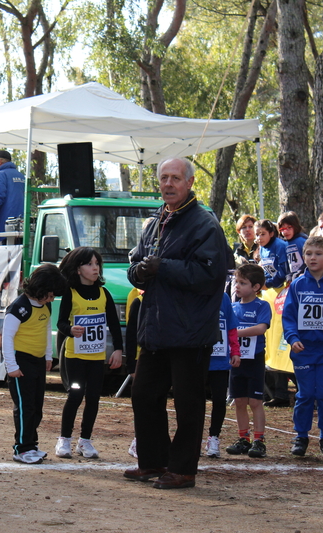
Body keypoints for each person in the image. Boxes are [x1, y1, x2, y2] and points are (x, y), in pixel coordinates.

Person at [123, 157, 229, 490]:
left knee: (188, 402)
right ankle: (153, 461)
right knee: (143, 395)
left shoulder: (205, 224)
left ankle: (183, 469)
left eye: (175, 178)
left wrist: (162, 268)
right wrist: (138, 271)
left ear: (190, 182)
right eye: (164, 178)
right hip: (155, 327)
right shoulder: (156, 221)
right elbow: (135, 262)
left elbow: (210, 274)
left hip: (190, 331)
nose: (168, 184)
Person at [54, 247, 123, 460]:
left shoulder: (104, 294)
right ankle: (64, 439)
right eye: (90, 264)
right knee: (75, 395)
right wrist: (70, 330)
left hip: (96, 357)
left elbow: (114, 324)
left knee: (93, 398)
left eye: (97, 264)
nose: (95, 268)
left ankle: (85, 440)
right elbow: (61, 322)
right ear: (77, 269)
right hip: (75, 356)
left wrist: (119, 350)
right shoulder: (70, 293)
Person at [282, 236, 323, 458]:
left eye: (318, 254)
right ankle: (301, 436)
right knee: (306, 394)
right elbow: (288, 316)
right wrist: (292, 338)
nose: (313, 258)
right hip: (303, 350)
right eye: (309, 253)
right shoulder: (297, 285)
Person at [2, 264, 67, 464]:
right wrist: (12, 366)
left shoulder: (45, 305)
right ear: (40, 288)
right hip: (21, 362)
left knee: (37, 406)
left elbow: (46, 329)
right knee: (25, 407)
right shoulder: (19, 307)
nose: (52, 299)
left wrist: (48, 356)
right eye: (50, 294)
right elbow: (7, 337)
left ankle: (31, 444)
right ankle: (21, 448)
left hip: (38, 361)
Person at [224, 265, 272, 458]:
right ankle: (243, 438)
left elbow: (261, 328)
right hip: (236, 360)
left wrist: (236, 333)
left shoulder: (262, 306)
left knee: (255, 401)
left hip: (254, 360)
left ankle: (259, 440)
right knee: (239, 400)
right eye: (236, 282)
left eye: (243, 283)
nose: (237, 286)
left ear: (256, 287)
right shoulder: (233, 307)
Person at [205, 292, 241, 457]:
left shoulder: (223, 297)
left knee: (219, 399)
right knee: (195, 400)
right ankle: (193, 437)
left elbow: (231, 327)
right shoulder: (191, 291)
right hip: (198, 358)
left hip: (219, 359)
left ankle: (214, 437)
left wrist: (235, 351)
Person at [255, 219, 288, 289]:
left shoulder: (280, 245)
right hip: (272, 287)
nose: (259, 238)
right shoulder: (262, 247)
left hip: (285, 285)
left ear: (271, 234)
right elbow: (267, 271)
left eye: (263, 234)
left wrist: (268, 284)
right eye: (257, 235)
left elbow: (283, 271)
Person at [277, 211, 307, 280]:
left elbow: (308, 260)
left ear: (295, 227)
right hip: (291, 277)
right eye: (283, 229)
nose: (285, 231)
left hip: (303, 275)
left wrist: (300, 272)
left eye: (289, 227)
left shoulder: (301, 241)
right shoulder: (283, 244)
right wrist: (289, 275)